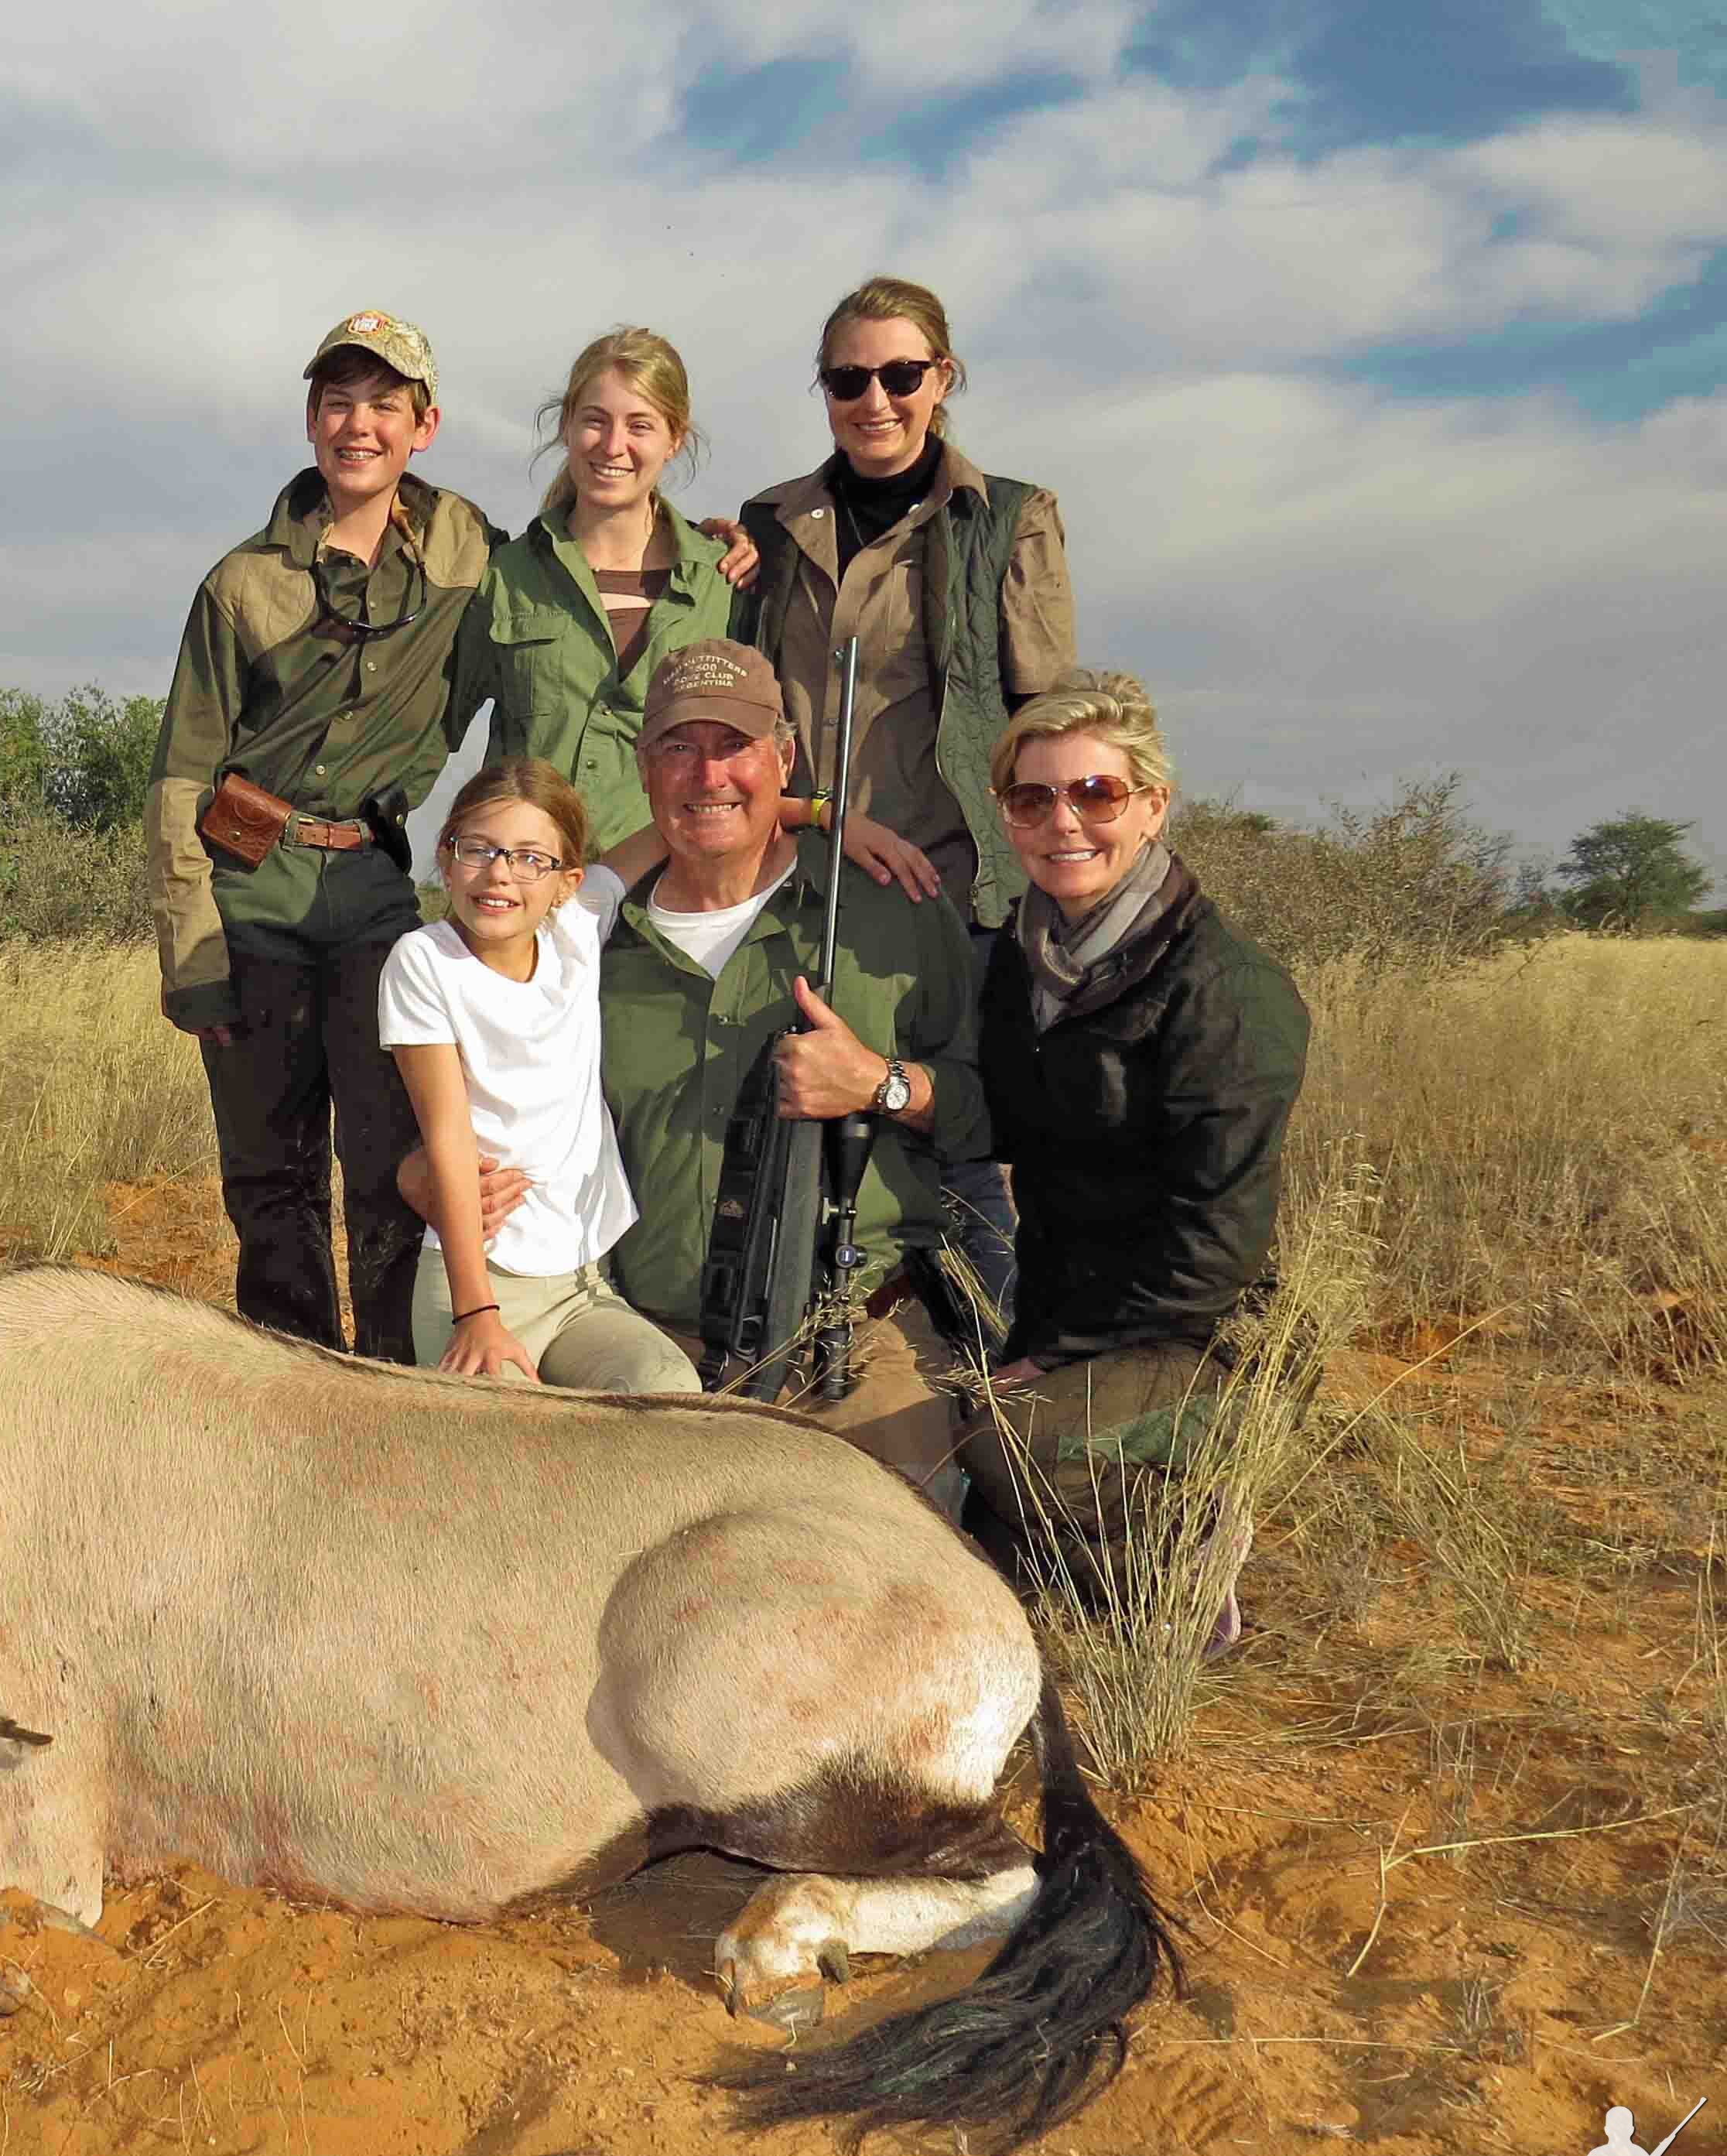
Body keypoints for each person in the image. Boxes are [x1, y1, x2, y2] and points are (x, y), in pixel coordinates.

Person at [402, 639, 989, 1486]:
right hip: (633, 1336)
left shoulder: (890, 911)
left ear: (782, 758)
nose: (706, 774)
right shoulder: (575, 937)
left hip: (844, 1346)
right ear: (645, 768)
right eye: (679, 748)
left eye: (734, 746)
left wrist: (882, 1085)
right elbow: (473, 1100)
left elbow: (986, 1110)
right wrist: (423, 1172)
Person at [145, 310, 500, 1358]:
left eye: (384, 405)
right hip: (249, 902)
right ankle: (293, 1381)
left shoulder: (470, 549)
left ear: (423, 425)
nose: (360, 425)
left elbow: (576, 562)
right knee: (269, 1178)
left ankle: (394, 1387)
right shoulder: (240, 583)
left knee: (393, 1168)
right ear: (310, 419)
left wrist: (702, 539)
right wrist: (193, 961)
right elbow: (178, 780)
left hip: (376, 905)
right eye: (339, 402)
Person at [729, 275, 1076, 1342]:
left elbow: (1044, 720)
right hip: (796, 888)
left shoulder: (1009, 519)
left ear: (943, 379)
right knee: (782, 1173)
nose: (873, 399)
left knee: (958, 1169)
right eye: (847, 379)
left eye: (900, 375)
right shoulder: (769, 526)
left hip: (948, 899)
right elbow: (735, 706)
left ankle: (1000, 1436)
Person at [954, 672, 1310, 1633]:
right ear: (1006, 816)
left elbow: (1217, 1245)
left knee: (1005, 1454)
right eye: (1033, 798)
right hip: (1063, 1309)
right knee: (969, 1513)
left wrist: (1065, 1358)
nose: (1063, 822)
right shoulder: (1016, 964)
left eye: (1095, 794)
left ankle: (1192, 1531)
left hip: (1191, 1330)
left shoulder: (1225, 990)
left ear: (1152, 807)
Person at [377, 759, 695, 1390]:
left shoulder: (578, 928)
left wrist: (821, 814)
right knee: (511, 1463)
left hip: (584, 1285)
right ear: (446, 855)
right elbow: (446, 1136)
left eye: (529, 858)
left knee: (666, 1391)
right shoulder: (424, 962)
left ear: (566, 881)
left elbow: (674, 827)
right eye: (479, 849)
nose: (500, 873)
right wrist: (477, 1314)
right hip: (480, 1280)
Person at [449, 329, 741, 852]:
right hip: (530, 897)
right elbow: (428, 734)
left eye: (640, 426)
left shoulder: (727, 584)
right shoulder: (506, 575)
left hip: (670, 902)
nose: (613, 446)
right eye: (595, 421)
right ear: (566, 425)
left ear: (675, 439)